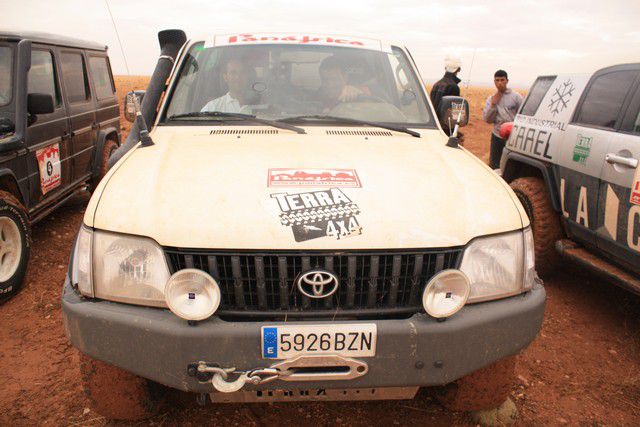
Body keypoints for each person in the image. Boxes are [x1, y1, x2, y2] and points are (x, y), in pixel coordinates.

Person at [483, 69, 522, 169]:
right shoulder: (491, 99)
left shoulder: (516, 97)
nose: (500, 83)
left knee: (512, 165)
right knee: (494, 165)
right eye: (497, 80)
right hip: (497, 135)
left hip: (512, 136)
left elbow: (522, 116)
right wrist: (493, 105)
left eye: (502, 80)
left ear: (507, 81)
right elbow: (487, 120)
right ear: (494, 82)